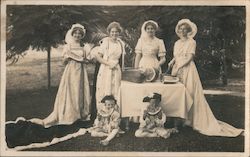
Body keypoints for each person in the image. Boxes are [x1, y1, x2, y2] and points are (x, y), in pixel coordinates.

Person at [168, 19, 243, 137]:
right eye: (180, 29)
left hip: (187, 69)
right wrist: (172, 62)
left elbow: (189, 58)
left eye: (185, 29)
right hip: (177, 69)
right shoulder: (177, 43)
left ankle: (192, 119)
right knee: (179, 94)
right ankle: (181, 119)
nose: (182, 31)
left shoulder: (191, 42)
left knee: (190, 93)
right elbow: (176, 56)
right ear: (178, 30)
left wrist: (179, 67)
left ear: (188, 31)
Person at [31, 24, 92, 127]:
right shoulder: (67, 46)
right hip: (71, 71)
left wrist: (84, 60)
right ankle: (70, 115)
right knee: (70, 91)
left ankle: (80, 114)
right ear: (72, 34)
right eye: (76, 33)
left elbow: (87, 60)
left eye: (79, 34)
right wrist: (67, 58)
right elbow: (63, 62)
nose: (77, 35)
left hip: (81, 72)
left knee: (80, 91)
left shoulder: (84, 46)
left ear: (82, 35)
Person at [94, 22, 126, 111]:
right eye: (112, 32)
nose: (114, 34)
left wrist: (121, 68)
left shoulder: (121, 43)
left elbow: (122, 59)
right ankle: (104, 114)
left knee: (116, 90)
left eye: (116, 32)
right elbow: (98, 57)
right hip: (106, 69)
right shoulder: (105, 42)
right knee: (106, 89)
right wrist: (109, 63)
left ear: (119, 32)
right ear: (109, 32)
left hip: (116, 69)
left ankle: (115, 114)